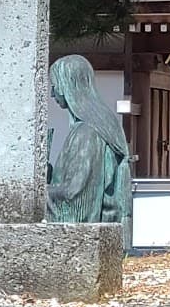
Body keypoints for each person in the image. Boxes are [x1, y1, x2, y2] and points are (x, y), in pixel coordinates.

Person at [47, 54, 131, 226]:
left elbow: (76, 195)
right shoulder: (103, 124)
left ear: (65, 86)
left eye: (54, 86)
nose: (52, 93)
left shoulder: (87, 133)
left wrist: (36, 192)